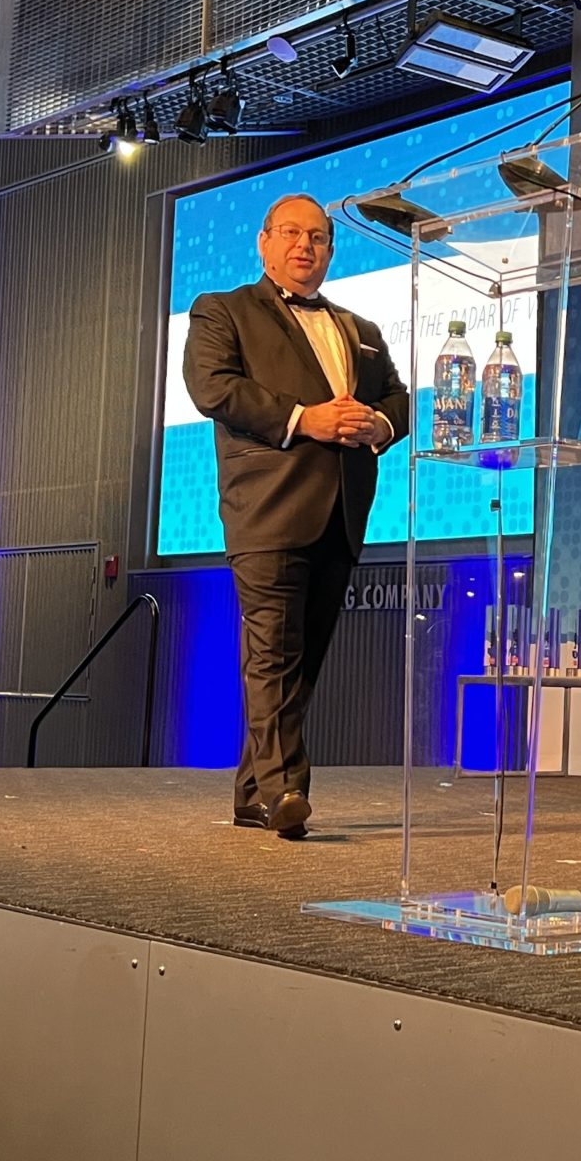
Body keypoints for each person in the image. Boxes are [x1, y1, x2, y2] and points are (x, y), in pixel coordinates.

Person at [182, 194, 410, 839]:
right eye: (290, 233)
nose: (304, 245)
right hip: (269, 510)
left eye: (317, 236)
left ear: (331, 250)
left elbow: (399, 398)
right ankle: (286, 789)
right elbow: (214, 388)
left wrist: (380, 424)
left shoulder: (361, 328)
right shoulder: (222, 309)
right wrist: (305, 418)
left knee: (299, 663)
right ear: (264, 242)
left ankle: (253, 794)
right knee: (273, 654)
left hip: (342, 512)